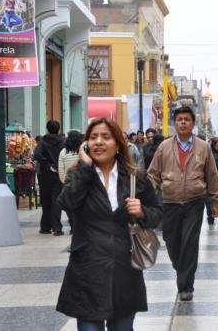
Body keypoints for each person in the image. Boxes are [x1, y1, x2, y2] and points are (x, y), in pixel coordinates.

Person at [56, 117, 162, 331]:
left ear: (118, 144)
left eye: (106, 137)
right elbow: (67, 203)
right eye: (93, 137)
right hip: (87, 268)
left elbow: (158, 214)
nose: (99, 142)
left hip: (124, 267)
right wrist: (85, 168)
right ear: (85, 145)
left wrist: (142, 211)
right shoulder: (77, 174)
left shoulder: (135, 177)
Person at [147, 106, 218, 302]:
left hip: (194, 202)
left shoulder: (203, 147)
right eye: (179, 119)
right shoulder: (164, 147)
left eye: (187, 119)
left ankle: (186, 285)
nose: (183, 122)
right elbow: (153, 173)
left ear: (192, 123)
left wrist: (215, 201)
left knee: (189, 243)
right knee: (171, 242)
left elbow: (212, 175)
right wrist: (148, 195)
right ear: (175, 123)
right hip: (170, 202)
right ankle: (182, 270)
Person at [33, 120, 65, 236]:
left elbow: (37, 154)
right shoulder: (62, 142)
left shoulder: (42, 142)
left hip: (45, 174)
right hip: (58, 173)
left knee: (46, 200)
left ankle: (45, 226)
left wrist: (47, 165)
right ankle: (57, 228)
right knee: (56, 200)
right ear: (58, 129)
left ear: (47, 129)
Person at [58, 130, 83, 234]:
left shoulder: (63, 152)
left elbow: (60, 169)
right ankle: (78, 225)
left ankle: (73, 225)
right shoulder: (83, 151)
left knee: (69, 205)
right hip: (82, 182)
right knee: (80, 205)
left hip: (68, 182)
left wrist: (64, 181)